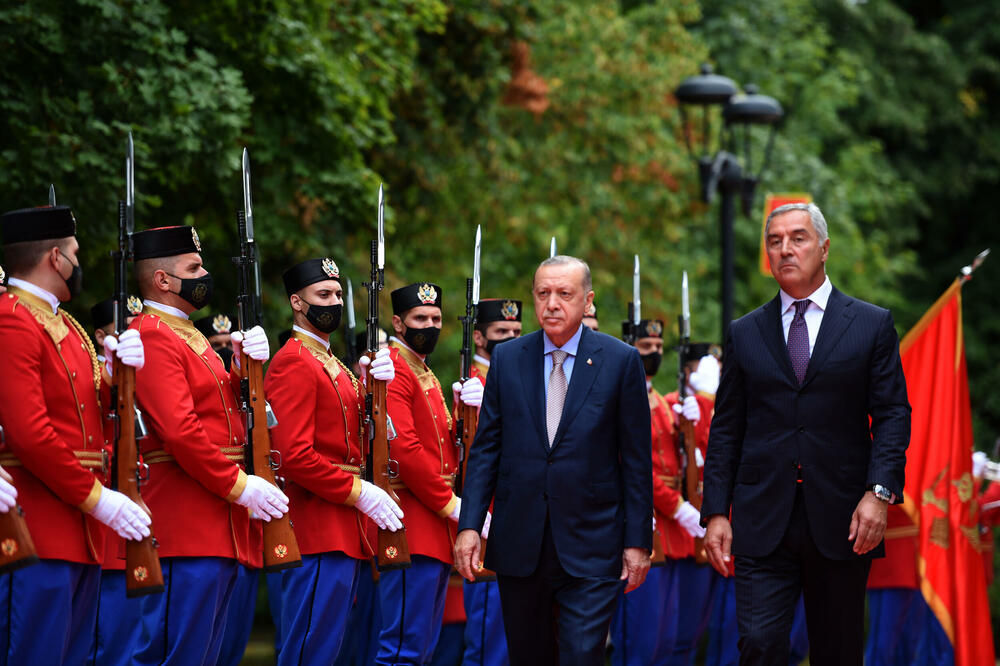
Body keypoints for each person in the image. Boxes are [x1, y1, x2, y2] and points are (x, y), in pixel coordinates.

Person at [702, 202, 911, 666]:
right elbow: (727, 427)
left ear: (824, 248)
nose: (785, 250)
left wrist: (879, 493)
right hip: (761, 520)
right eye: (774, 241)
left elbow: (893, 413)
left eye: (798, 238)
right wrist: (715, 511)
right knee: (759, 645)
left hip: (844, 519)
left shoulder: (871, 324)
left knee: (837, 651)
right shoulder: (745, 332)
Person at [455, 255, 652, 666]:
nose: (552, 304)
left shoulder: (620, 362)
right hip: (521, 542)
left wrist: (637, 542)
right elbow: (486, 450)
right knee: (530, 656)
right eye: (543, 294)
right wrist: (470, 525)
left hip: (594, 542)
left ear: (588, 301)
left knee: (582, 655)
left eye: (565, 294)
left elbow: (636, 461)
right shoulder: (508, 359)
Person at [128, 225, 289, 665]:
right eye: (193, 267)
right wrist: (238, 485)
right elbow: (180, 430)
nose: (204, 274)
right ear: (163, 279)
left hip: (216, 520)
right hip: (187, 521)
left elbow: (225, 418)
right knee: (176, 652)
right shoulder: (154, 332)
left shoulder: (188, 334)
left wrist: (243, 371)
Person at [0, 204, 150, 663]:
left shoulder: (69, 327)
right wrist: (97, 498)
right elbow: (30, 434)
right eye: (74, 252)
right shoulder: (12, 320)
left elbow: (89, 415)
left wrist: (113, 377)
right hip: (39, 520)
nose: (78, 262)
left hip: (80, 528)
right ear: (55, 258)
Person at [265, 257, 402, 664]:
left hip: (343, 530)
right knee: (310, 650)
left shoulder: (333, 364)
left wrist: (375, 392)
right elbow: (293, 456)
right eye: (323, 294)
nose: (335, 302)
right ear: (297, 302)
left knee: (334, 651)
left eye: (338, 294)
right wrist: (358, 492)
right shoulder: (293, 360)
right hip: (317, 530)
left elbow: (360, 438)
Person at [375, 281, 483, 665]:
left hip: (431, 524)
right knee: (403, 647)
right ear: (398, 323)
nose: (430, 325)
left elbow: (442, 445)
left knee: (422, 646)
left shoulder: (422, 370)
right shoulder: (395, 367)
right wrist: (449, 503)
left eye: (436, 318)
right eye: (420, 318)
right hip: (413, 519)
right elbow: (403, 448)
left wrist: (462, 412)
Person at [610, 318, 705, 665]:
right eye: (645, 347)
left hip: (671, 533)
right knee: (639, 641)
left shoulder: (663, 403)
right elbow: (636, 469)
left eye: (658, 348)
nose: (653, 354)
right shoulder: (623, 397)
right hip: (647, 521)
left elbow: (677, 467)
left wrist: (689, 434)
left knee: (668, 641)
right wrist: (677, 506)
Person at [458, 297, 523, 666]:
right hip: (486, 521)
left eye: (516, 331)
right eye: (502, 332)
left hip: (518, 522)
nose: (512, 338)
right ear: (480, 338)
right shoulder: (470, 386)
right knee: (487, 644)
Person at [88, 294, 147, 666]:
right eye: (124, 328)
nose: (133, 336)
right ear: (100, 336)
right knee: (104, 643)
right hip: (105, 513)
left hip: (141, 508)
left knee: (132, 639)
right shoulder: (96, 373)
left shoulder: (147, 372)